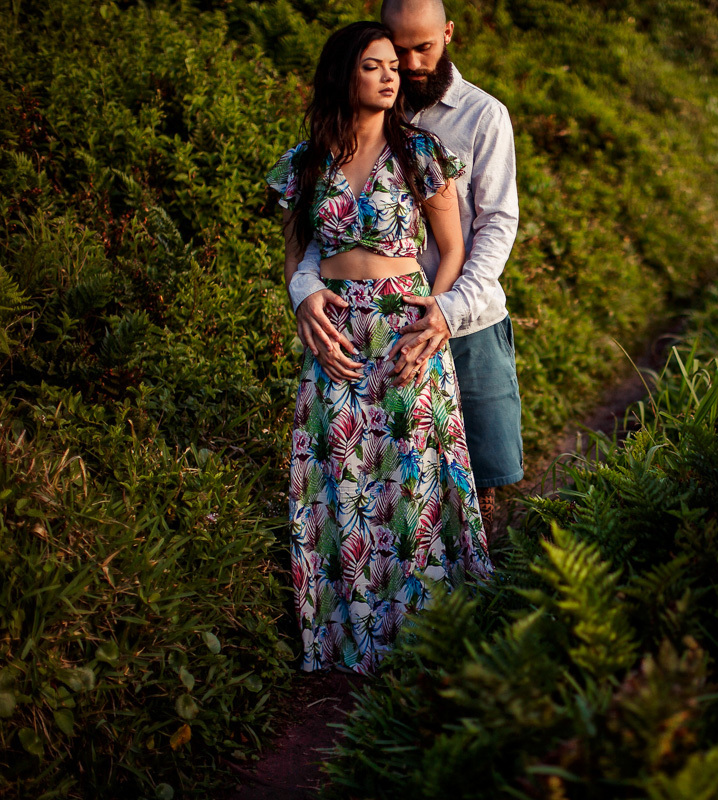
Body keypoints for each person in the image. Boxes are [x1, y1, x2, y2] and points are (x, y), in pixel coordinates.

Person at [268, 20, 493, 676]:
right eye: (374, 65)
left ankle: (426, 638)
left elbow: (452, 249)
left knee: (411, 475)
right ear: (345, 74)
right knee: (342, 478)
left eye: (394, 65)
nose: (391, 75)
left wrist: (433, 321)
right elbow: (295, 255)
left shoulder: (420, 152)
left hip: (405, 329)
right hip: (336, 333)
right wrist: (304, 302)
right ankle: (353, 636)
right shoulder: (306, 161)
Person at [288, 0, 523, 537]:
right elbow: (325, 232)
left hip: (466, 315)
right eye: (398, 51)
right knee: (380, 479)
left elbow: (497, 223)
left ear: (449, 34)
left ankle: (480, 586)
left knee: (479, 478)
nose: (411, 64)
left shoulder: (481, 115)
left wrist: (447, 308)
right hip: (370, 324)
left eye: (424, 48)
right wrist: (303, 289)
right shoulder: (342, 135)